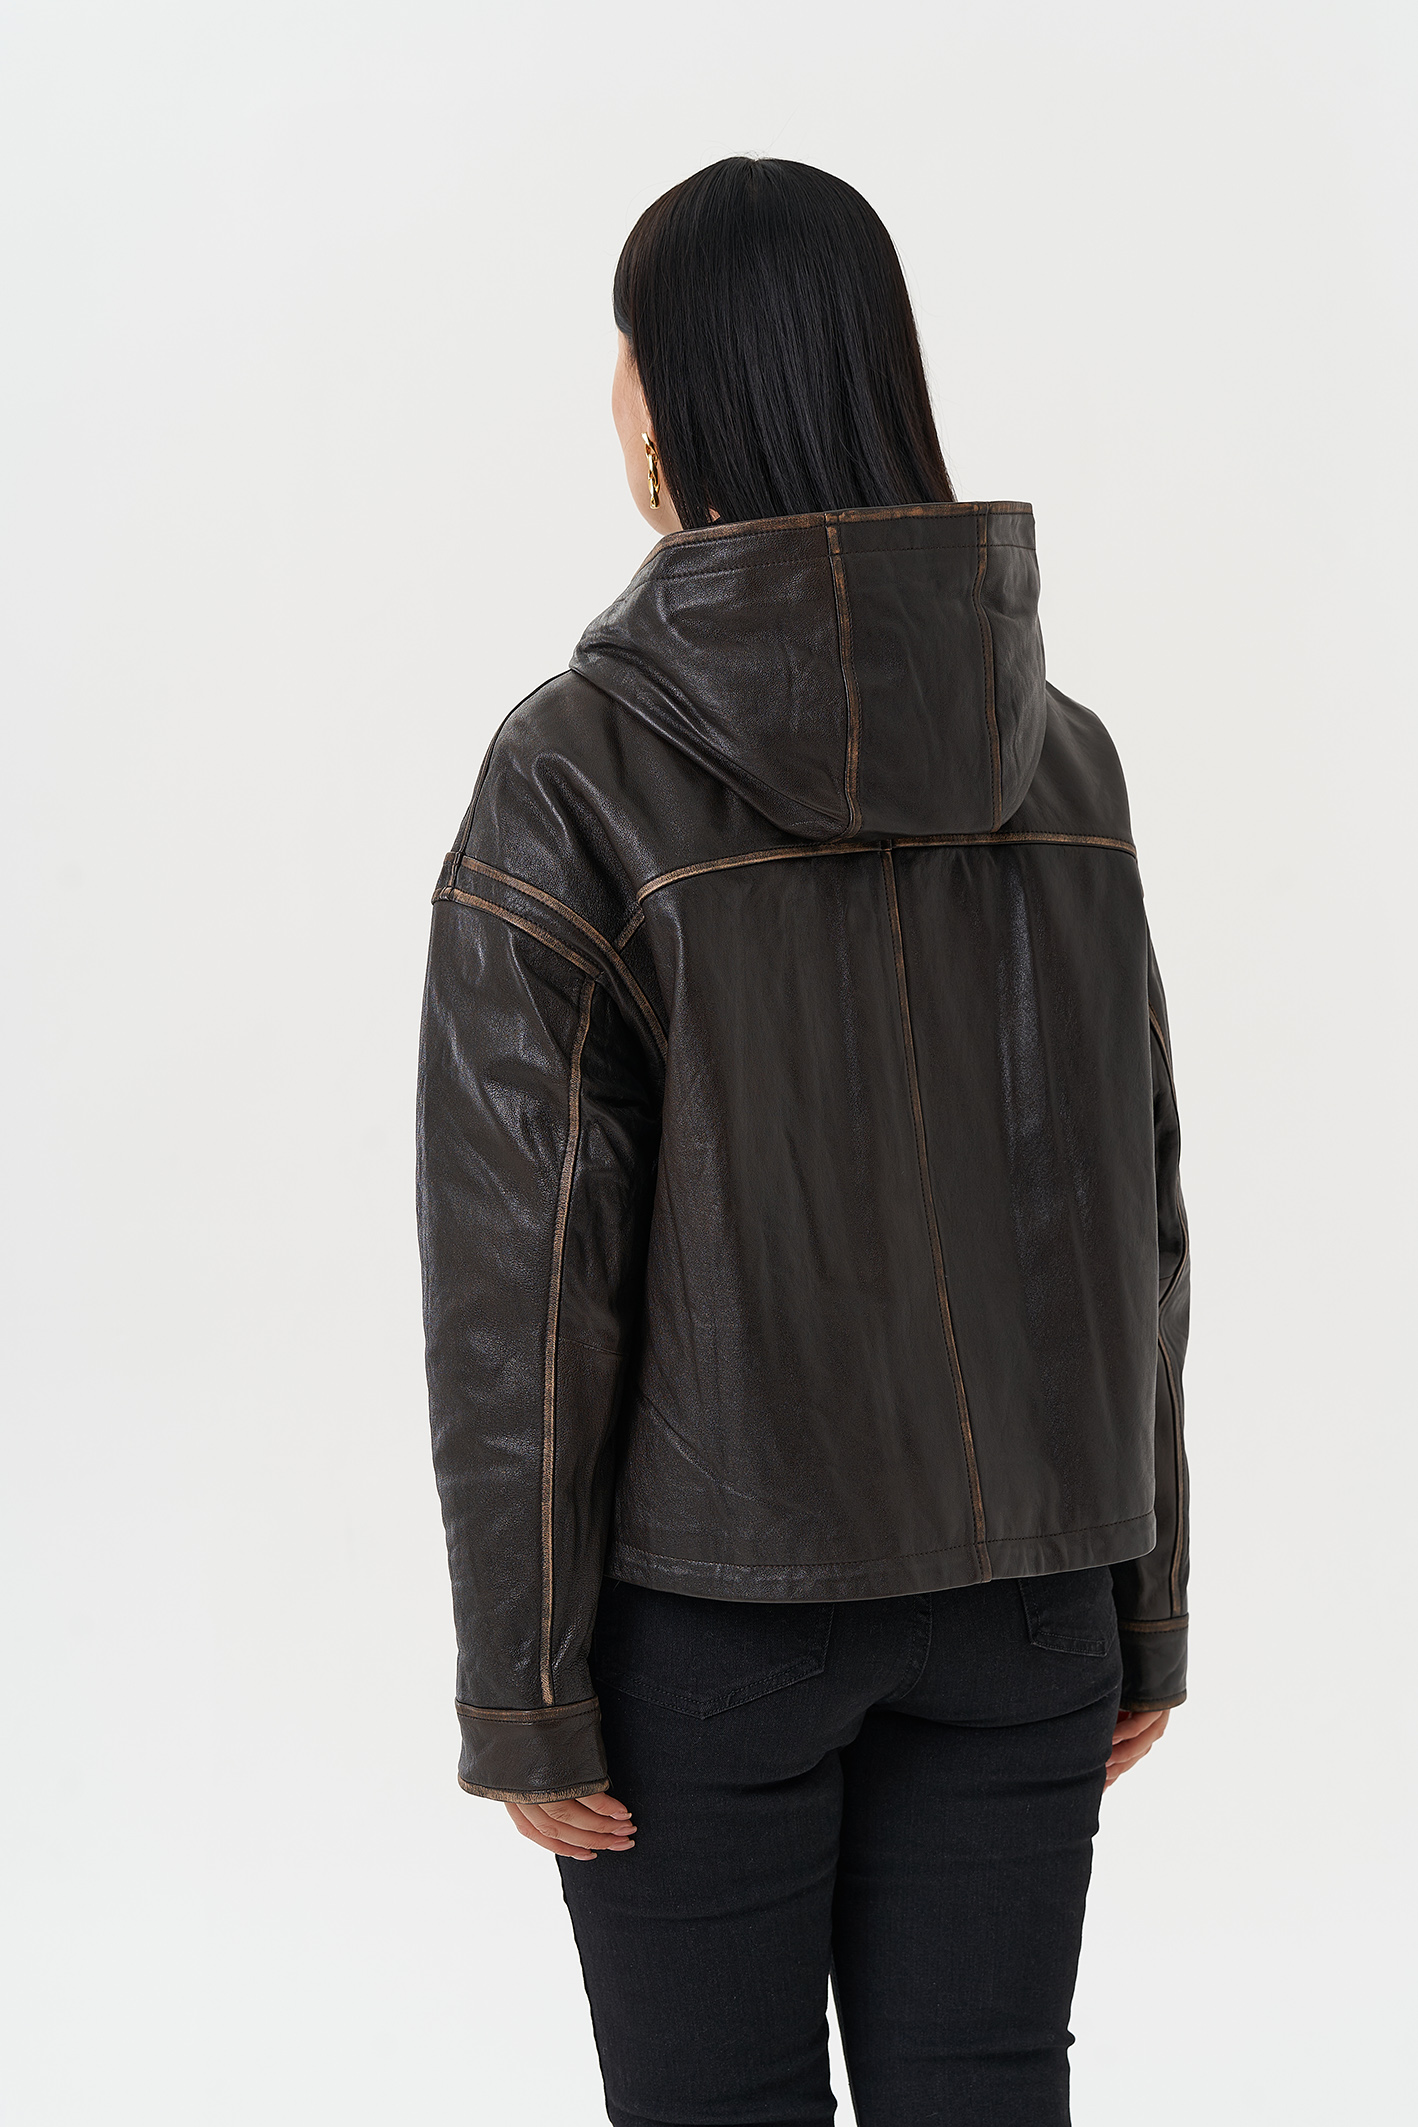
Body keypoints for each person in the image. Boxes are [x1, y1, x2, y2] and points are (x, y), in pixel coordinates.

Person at [416, 156, 1189, 2127]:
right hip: (1030, 1596)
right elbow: (1131, 1209)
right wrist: (1141, 1591)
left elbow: (528, 1274)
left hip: (713, 1623)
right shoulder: (1065, 760)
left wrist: (522, 1680)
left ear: (667, 396)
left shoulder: (572, 773)